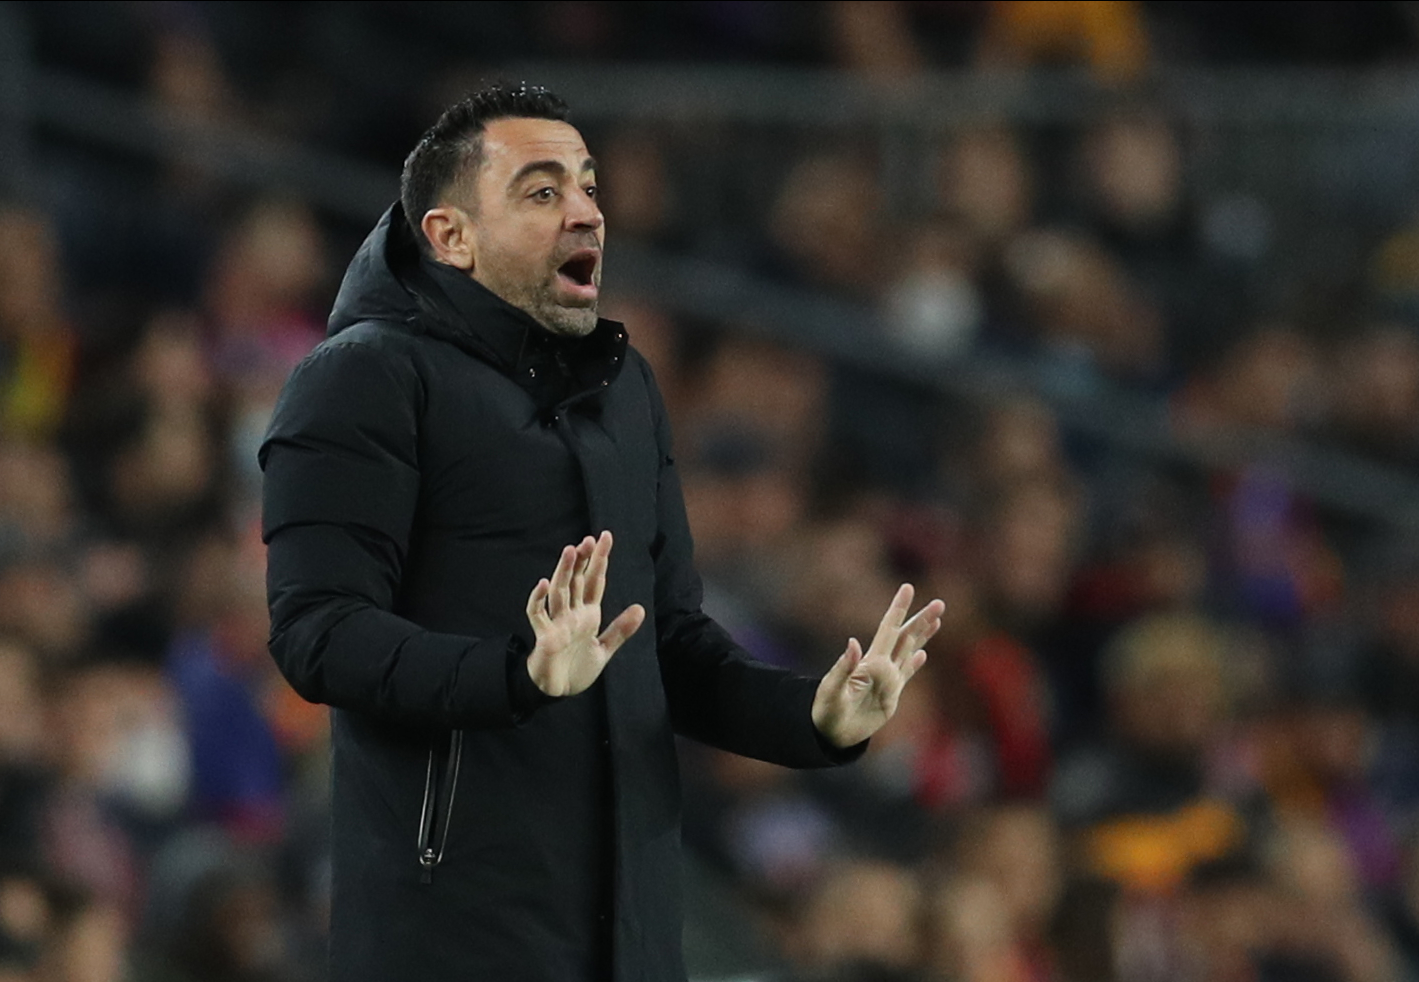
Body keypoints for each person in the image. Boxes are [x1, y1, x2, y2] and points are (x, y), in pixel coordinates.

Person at [259, 83, 943, 982]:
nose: (585, 210)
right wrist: (519, 673)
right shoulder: (359, 380)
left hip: (628, 929)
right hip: (452, 930)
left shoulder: (624, 392)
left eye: (588, 186)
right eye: (542, 192)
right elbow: (319, 633)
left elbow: (668, 643)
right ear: (448, 236)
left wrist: (810, 715)